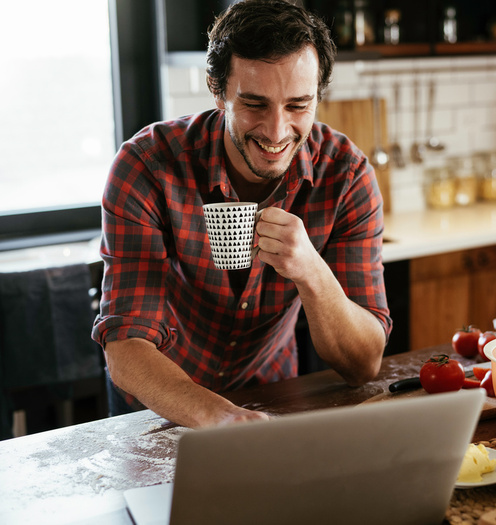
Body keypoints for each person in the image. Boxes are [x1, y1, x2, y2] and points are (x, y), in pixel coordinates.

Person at [91, 0, 391, 428]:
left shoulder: (346, 175)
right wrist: (221, 418)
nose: (276, 131)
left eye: (297, 105)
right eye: (254, 104)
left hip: (270, 399)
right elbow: (126, 346)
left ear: (318, 95)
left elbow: (364, 365)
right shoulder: (147, 166)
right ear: (218, 91)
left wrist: (311, 272)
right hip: (158, 407)